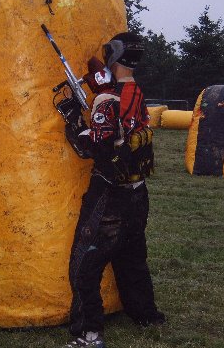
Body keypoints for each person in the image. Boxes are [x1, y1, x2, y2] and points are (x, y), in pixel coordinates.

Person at [62, 33, 165, 348]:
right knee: (132, 257)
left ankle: (89, 335)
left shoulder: (106, 100)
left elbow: (94, 148)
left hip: (110, 195)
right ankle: (146, 315)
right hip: (138, 193)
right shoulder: (135, 90)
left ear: (115, 55)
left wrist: (72, 120)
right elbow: (123, 130)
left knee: (84, 265)